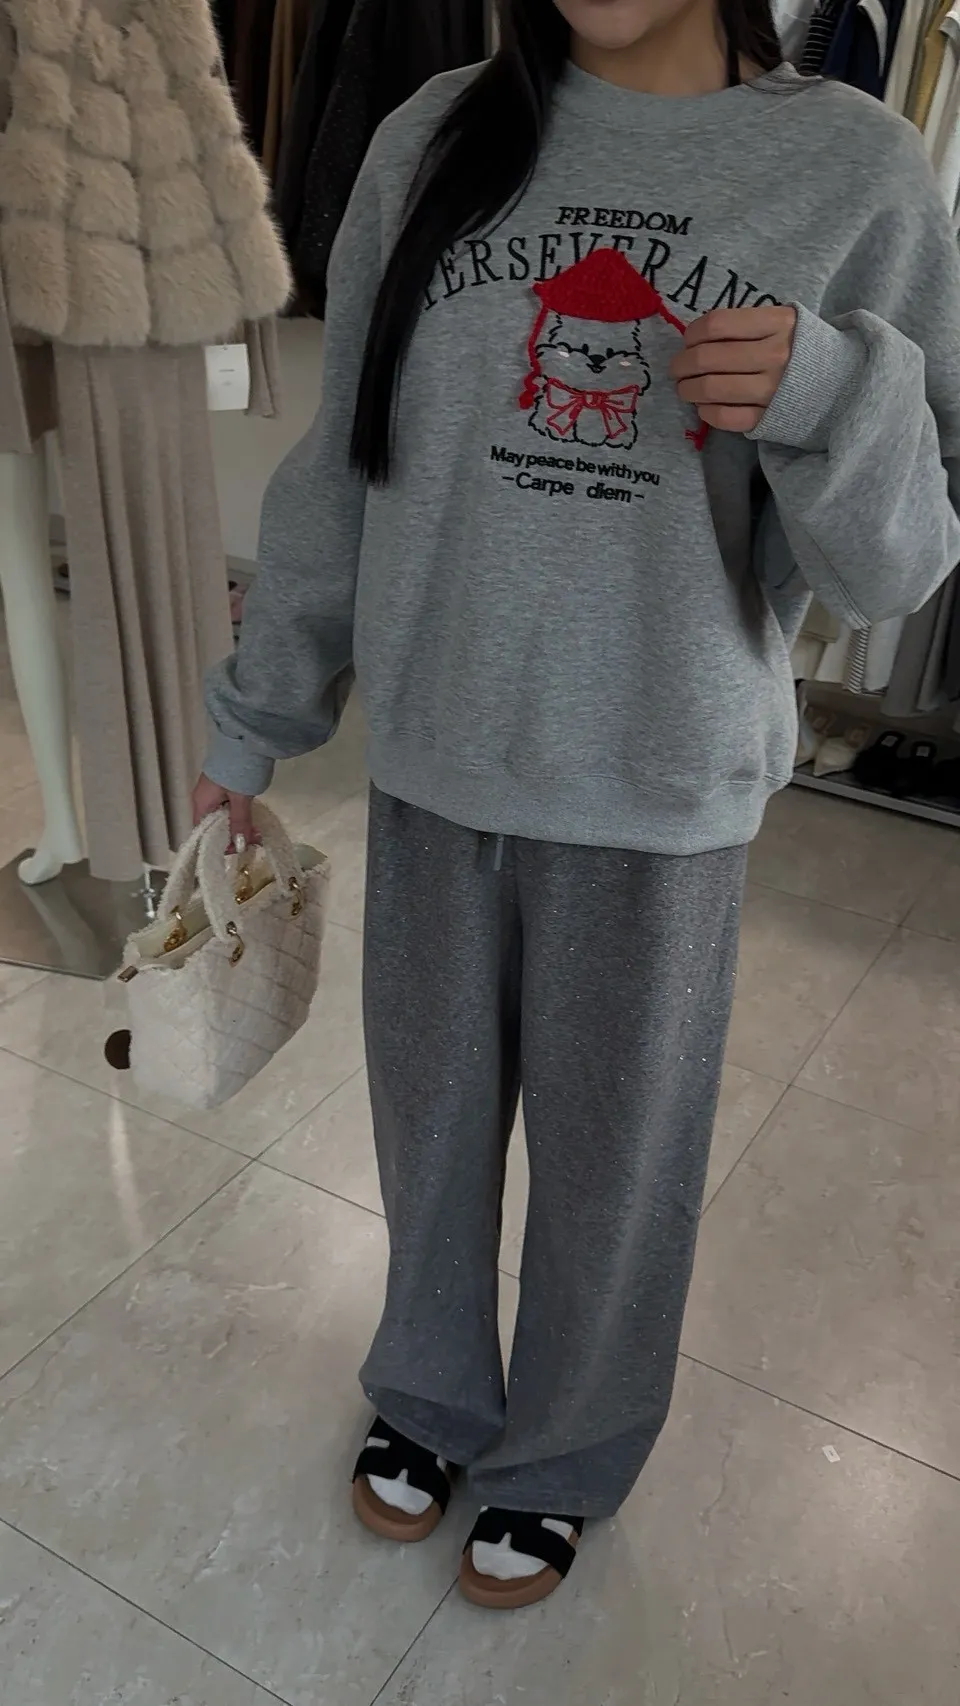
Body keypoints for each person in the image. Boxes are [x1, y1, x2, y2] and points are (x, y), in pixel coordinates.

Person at [194, 0, 960, 1609]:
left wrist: (831, 388)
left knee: (618, 1170)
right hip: (440, 758)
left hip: (659, 779)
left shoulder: (859, 174)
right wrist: (254, 722)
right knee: (431, 1130)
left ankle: (561, 1455)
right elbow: (340, 468)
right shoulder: (430, 137)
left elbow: (898, 567)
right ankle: (428, 1392)